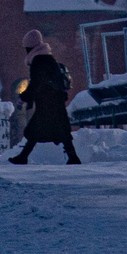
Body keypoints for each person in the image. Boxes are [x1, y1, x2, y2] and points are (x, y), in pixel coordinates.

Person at [9, 29, 80, 165]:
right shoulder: (48, 58)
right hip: (55, 100)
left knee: (36, 129)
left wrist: (24, 97)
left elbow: (36, 83)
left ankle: (23, 157)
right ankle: (72, 157)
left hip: (47, 102)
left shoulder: (38, 61)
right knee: (60, 130)